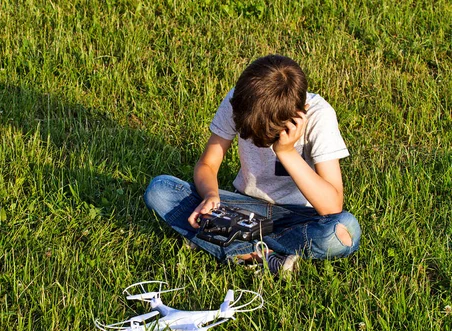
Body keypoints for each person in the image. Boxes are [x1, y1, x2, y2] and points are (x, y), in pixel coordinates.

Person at [144, 54, 361, 274]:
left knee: (344, 231)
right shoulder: (241, 101)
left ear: (300, 113)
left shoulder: (319, 116)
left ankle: (228, 243)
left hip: (299, 217)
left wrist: (286, 152)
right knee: (160, 190)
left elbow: (333, 207)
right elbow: (207, 164)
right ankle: (260, 253)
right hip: (242, 208)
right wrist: (210, 195)